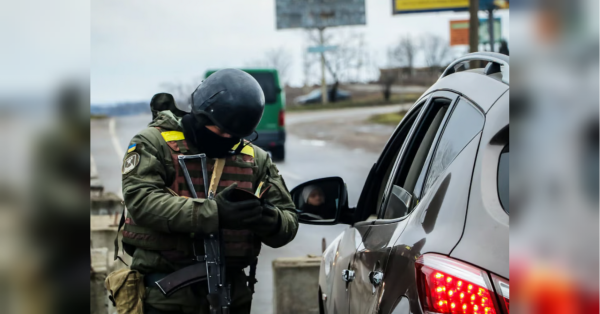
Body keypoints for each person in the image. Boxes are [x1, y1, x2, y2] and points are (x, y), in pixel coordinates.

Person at [118, 68, 299, 314]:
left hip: (232, 295)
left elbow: (288, 218)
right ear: (201, 115)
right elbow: (142, 201)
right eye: (221, 130)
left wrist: (270, 220)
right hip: (166, 295)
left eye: (234, 135)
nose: (226, 139)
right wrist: (214, 213)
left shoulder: (254, 158)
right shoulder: (153, 144)